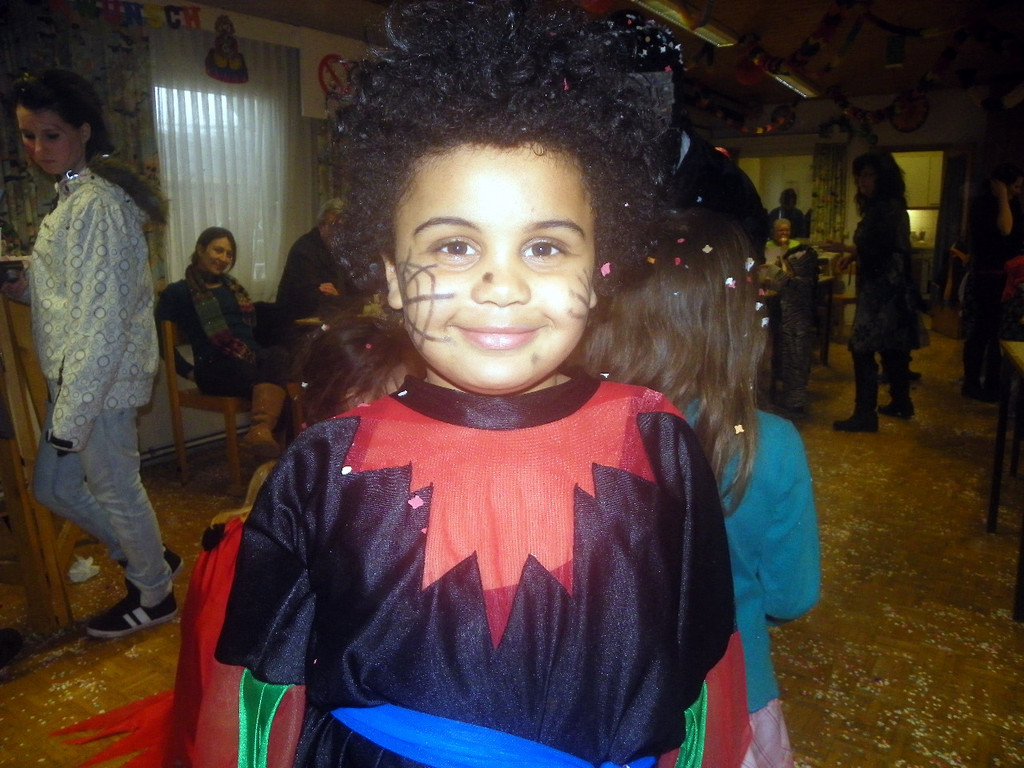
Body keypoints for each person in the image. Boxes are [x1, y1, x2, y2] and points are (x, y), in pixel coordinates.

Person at [195, 2, 743, 766]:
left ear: (598, 272)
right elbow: (258, 699)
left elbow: (703, 676)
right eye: (455, 246)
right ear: (392, 278)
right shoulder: (325, 465)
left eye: (545, 247)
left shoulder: (655, 446)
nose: (501, 286)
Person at [584, 207, 821, 768]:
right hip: (732, 695)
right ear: (738, 320)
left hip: (603, 697)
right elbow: (791, 596)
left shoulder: (577, 430)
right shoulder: (770, 445)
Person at [7, 69, 178, 638]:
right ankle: (150, 557)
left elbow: (101, 320)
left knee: (116, 487)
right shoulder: (71, 199)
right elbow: (72, 295)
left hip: (99, 383)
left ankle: (154, 595)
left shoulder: (97, 205)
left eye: (50, 135)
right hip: (77, 380)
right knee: (53, 488)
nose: (38, 148)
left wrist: (72, 416)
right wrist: (25, 288)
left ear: (82, 131)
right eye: (28, 136)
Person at [156, 226, 293, 458]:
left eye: (229, 254)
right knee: (277, 381)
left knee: (278, 355)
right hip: (213, 368)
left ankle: (261, 432)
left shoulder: (233, 288)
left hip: (250, 362)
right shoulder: (177, 292)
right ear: (200, 249)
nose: (224, 258)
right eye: (218, 250)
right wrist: (187, 371)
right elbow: (161, 339)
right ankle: (282, 451)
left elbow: (252, 332)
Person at [825, 151, 919, 432]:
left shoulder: (885, 208)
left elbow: (880, 248)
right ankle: (901, 403)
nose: (862, 182)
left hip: (883, 290)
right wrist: (852, 255)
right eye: (860, 176)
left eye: (868, 175)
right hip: (892, 288)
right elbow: (880, 247)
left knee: (862, 348)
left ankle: (865, 414)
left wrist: (847, 249)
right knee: (893, 347)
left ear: (882, 177)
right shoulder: (889, 206)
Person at [962, 163, 1024, 401]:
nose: (1018, 191)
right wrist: (1002, 198)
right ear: (1000, 185)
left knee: (999, 333)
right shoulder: (983, 205)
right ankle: (971, 384)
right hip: (987, 277)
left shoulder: (1014, 205)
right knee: (982, 332)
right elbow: (1005, 229)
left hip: (1007, 278)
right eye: (1015, 186)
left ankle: (993, 386)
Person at [274, 199, 367, 352]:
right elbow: (312, 299)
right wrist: (340, 297)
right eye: (334, 225)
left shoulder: (340, 249)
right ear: (321, 225)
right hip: (297, 328)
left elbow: (356, 289)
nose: (339, 231)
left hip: (327, 322)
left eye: (344, 226)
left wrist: (340, 296)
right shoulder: (304, 249)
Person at [762, 218, 819, 416]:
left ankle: (795, 402)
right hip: (786, 321)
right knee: (787, 359)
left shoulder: (802, 278)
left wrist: (775, 274)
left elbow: (790, 284)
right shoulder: (796, 279)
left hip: (796, 325)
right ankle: (787, 397)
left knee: (796, 360)